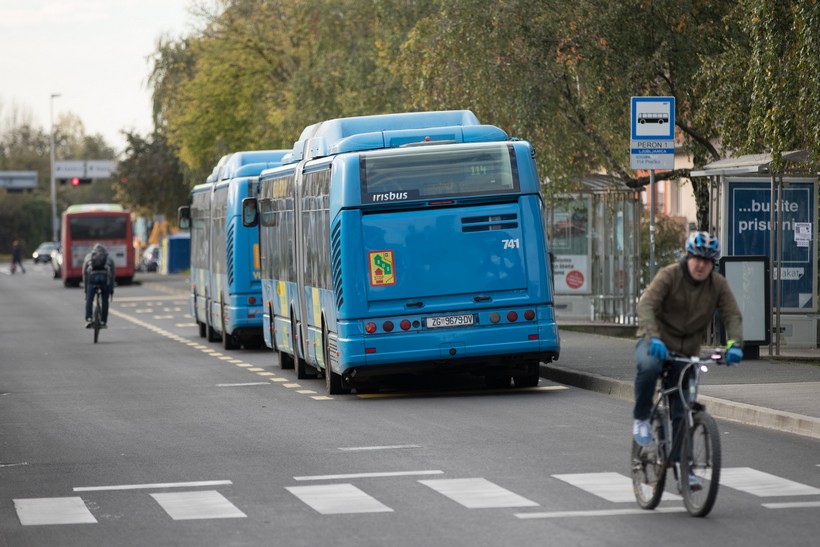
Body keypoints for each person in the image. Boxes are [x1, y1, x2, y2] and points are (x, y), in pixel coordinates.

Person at [632, 232, 744, 483]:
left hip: (685, 353)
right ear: (688, 256)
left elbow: (732, 315)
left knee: (682, 409)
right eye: (697, 258)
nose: (701, 265)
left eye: (707, 260)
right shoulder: (669, 275)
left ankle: (685, 467)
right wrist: (654, 336)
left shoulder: (717, 285)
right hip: (655, 342)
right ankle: (641, 417)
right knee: (648, 368)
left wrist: (734, 344)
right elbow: (646, 305)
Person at [83, 243, 116, 328]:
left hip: (92, 281)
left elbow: (84, 273)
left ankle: (89, 318)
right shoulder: (109, 258)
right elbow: (112, 275)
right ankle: (103, 321)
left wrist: (86, 289)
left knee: (89, 299)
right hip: (104, 281)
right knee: (105, 300)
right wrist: (111, 289)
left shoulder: (89, 257)